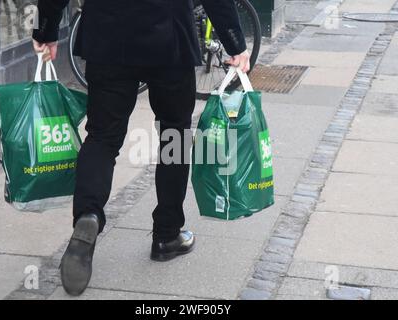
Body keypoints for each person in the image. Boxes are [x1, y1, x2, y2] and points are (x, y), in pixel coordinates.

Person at [32, 0, 250, 296]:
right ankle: (167, 234)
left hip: (107, 36)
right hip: (169, 35)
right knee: (175, 135)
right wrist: (235, 42)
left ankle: (88, 215)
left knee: (102, 138)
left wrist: (45, 31)